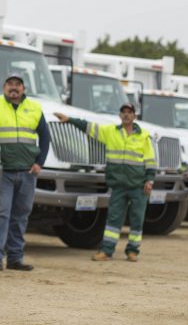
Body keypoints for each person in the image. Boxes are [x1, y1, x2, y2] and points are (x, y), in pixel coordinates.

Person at [54, 103, 156, 262]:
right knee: (113, 219)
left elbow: (150, 160)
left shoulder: (143, 136)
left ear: (135, 116)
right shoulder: (110, 132)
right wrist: (69, 120)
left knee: (137, 219)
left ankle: (133, 251)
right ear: (120, 116)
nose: (127, 115)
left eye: (130, 112)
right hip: (118, 185)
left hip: (138, 185)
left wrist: (150, 180)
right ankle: (107, 251)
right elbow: (88, 127)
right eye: (124, 112)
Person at [0, 73, 50, 271]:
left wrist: (39, 163)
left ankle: (15, 259)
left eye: (18, 85)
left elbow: (45, 137)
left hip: (27, 172)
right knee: (1, 214)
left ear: (23, 89)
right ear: (4, 87)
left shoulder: (34, 108)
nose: (13, 88)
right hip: (3, 172)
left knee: (21, 216)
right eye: (10, 84)